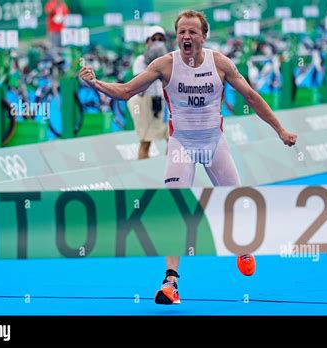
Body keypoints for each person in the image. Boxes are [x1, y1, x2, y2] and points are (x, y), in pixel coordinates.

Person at [79, 10, 297, 305]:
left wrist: (280, 129)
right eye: (181, 31)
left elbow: (251, 97)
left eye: (193, 31)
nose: (186, 36)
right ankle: (170, 283)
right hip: (181, 144)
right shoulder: (164, 65)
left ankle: (243, 245)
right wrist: (96, 84)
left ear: (204, 36)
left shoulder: (220, 63)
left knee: (236, 201)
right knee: (174, 208)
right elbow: (127, 91)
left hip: (214, 143)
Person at [127, 26, 169, 159]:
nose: (158, 42)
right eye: (154, 39)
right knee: (146, 141)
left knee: (173, 139)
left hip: (163, 102)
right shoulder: (140, 60)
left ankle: (171, 172)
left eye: (161, 39)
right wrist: (151, 61)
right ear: (147, 42)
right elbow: (141, 82)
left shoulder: (169, 60)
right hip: (144, 101)